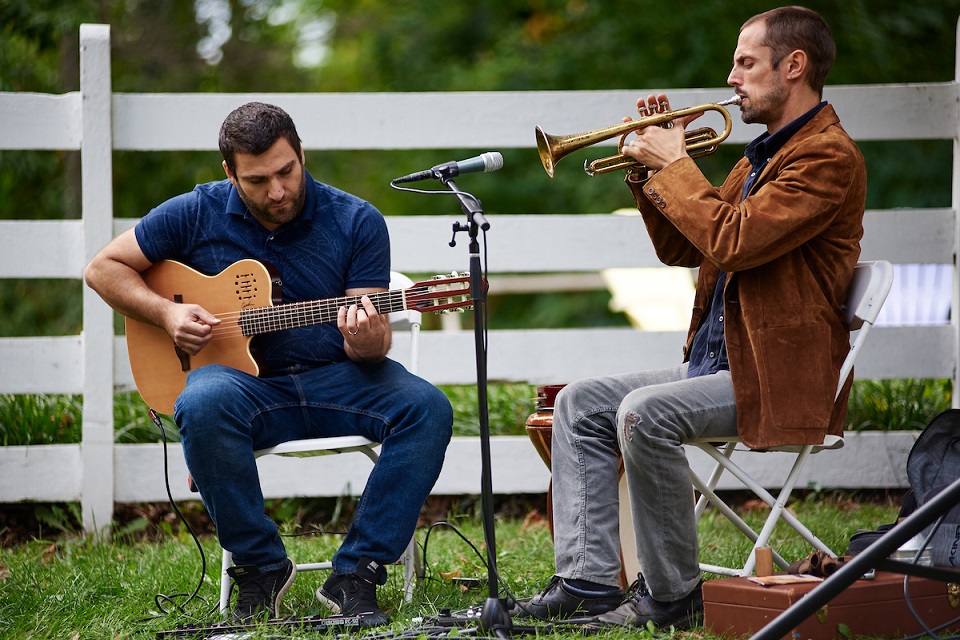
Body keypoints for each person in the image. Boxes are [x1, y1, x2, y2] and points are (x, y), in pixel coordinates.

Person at [520, 6, 865, 630]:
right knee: (578, 402)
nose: (731, 78)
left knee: (643, 412)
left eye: (746, 63)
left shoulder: (826, 159)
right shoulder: (760, 157)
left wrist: (676, 166)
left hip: (782, 376)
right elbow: (686, 247)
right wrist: (644, 171)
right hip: (722, 364)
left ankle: (674, 596)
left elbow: (735, 241)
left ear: (794, 67)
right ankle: (587, 582)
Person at [84, 102, 453, 623]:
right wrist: (167, 314)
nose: (278, 191)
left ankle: (356, 574)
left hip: (339, 380)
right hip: (246, 391)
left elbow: (369, 349)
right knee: (203, 399)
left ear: (302, 154)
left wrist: (368, 338)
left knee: (427, 408)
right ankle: (260, 568)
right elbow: (103, 269)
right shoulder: (195, 212)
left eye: (287, 171)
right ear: (230, 174)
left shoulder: (356, 219)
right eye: (258, 180)